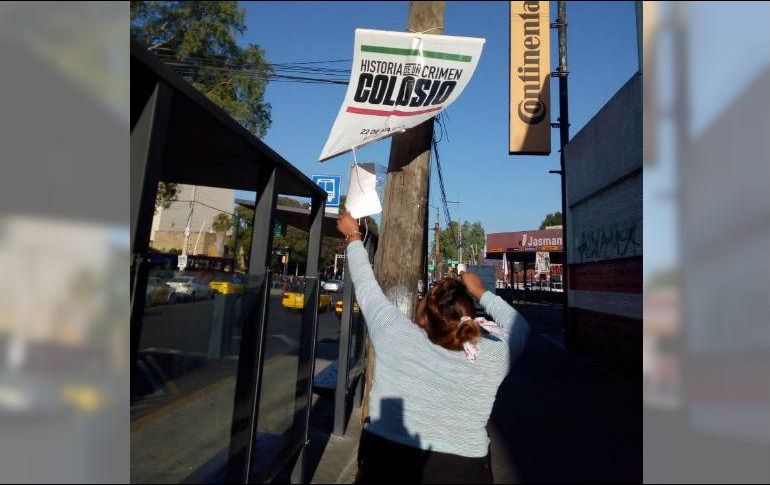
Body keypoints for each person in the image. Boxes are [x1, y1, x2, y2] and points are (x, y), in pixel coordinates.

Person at [336, 212, 530, 484]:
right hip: (465, 470)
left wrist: (353, 236)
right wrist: (480, 291)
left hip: (385, 462)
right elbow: (519, 326)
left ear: (424, 316)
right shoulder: (493, 355)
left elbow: (366, 285)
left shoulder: (394, 333)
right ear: (469, 316)